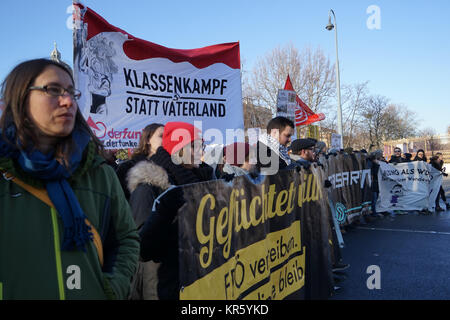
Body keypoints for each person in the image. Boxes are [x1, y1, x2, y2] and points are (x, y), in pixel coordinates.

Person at [0, 58, 139, 299]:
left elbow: (125, 239)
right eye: (52, 90)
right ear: (20, 97)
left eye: (71, 92)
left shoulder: (99, 173)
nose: (68, 101)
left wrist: (112, 287)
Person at [137, 121, 215, 300]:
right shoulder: (149, 183)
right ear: (180, 148)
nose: (202, 152)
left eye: (202, 146)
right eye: (196, 146)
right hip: (161, 283)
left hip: (194, 279)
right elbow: (141, 248)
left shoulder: (200, 180)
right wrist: (166, 211)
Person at [115, 123, 164, 200]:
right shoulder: (127, 167)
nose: (166, 140)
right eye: (161, 136)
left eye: (168, 137)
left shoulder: (172, 165)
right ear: (148, 140)